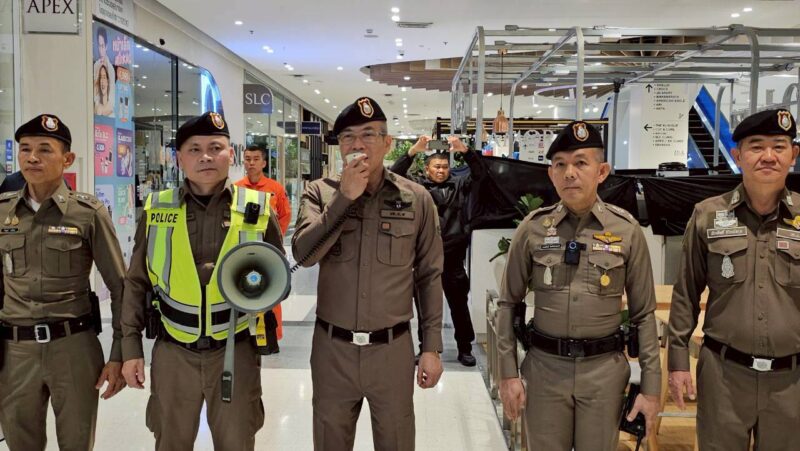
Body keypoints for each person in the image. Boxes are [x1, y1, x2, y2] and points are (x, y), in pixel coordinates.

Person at [120, 112, 284, 451]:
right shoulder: (157, 210)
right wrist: (130, 347)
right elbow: (136, 282)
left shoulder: (257, 208)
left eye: (215, 147)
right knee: (171, 442)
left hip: (235, 348)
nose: (206, 156)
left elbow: (278, 276)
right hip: (173, 351)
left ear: (231, 154)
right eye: (194, 149)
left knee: (237, 442)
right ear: (179, 158)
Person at [496, 121, 661, 450]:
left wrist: (651, 387)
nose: (569, 173)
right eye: (560, 165)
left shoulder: (626, 230)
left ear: (602, 172)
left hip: (603, 375)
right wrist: (508, 374)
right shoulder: (533, 228)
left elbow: (643, 313)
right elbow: (508, 303)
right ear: (551, 174)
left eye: (581, 163)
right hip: (545, 372)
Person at [293, 97, 444, 451]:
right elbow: (303, 255)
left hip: (392, 351)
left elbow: (429, 276)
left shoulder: (417, 199)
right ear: (339, 145)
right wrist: (343, 199)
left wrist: (431, 347)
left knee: (397, 441)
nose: (357, 144)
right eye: (348, 136)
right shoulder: (320, 192)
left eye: (368, 134)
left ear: (387, 143)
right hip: (332, 351)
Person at [668, 109, 800, 450]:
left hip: (792, 382)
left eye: (779, 146)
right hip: (723, 377)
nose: (768, 156)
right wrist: (678, 363)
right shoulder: (707, 215)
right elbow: (685, 293)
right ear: (738, 156)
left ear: (793, 155)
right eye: (756, 146)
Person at [0, 114, 127, 450]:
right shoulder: (2, 212)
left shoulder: (87, 213)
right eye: (25, 149)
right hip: (15, 351)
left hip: (73, 347)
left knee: (77, 442)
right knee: (19, 442)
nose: (32, 157)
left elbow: (120, 287)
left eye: (44, 149)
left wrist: (119, 354)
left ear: (67, 159)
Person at [390, 135, 488, 366]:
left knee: (459, 306)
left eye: (444, 166)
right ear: (427, 169)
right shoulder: (417, 186)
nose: (441, 170)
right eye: (436, 166)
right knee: (425, 308)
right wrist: (413, 150)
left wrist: (465, 150)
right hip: (425, 258)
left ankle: (465, 348)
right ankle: (427, 348)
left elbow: (481, 174)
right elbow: (395, 174)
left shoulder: (460, 184)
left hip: (453, 258)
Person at [235, 144, 292, 354]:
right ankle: (244, 334)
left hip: (269, 251)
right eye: (247, 159)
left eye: (256, 159)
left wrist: (274, 240)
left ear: (264, 163)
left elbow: (285, 215)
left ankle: (272, 335)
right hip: (243, 250)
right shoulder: (236, 189)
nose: (251, 163)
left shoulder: (275, 189)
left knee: (272, 292)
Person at [93, 27, 116, 117]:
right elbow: (95, 96)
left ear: (106, 46)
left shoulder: (110, 69)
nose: (100, 50)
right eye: (99, 46)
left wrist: (101, 111)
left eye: (102, 46)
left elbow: (112, 103)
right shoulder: (96, 65)